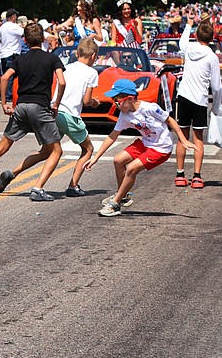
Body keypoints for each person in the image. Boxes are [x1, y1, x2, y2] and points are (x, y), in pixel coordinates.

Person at [0, 22, 66, 201]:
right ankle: (38, 188)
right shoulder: (52, 59)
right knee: (56, 151)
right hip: (40, 107)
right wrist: (56, 103)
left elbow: (4, 78)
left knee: (2, 146)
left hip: (21, 107)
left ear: (25, 40)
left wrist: (5, 103)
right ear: (43, 39)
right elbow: (62, 82)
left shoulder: (20, 59)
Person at [86, 79, 194, 216]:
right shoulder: (124, 115)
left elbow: (169, 120)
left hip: (161, 147)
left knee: (131, 168)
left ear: (130, 98)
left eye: (117, 100)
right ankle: (123, 195)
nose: (115, 104)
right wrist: (96, 158)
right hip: (145, 143)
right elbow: (112, 136)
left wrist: (183, 140)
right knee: (118, 160)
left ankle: (115, 204)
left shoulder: (150, 108)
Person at [173, 19, 222, 189]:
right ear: (212, 37)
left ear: (196, 35)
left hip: (184, 96)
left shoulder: (189, 49)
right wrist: (215, 108)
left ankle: (180, 174)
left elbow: (181, 42)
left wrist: (188, 25)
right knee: (198, 137)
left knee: (182, 135)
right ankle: (197, 176)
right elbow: (216, 87)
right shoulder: (212, 57)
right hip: (200, 99)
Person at [54, 38, 101, 197]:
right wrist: (95, 103)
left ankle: (14, 172)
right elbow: (86, 101)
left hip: (55, 112)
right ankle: (73, 186)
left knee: (48, 151)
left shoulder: (66, 68)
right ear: (93, 55)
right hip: (70, 115)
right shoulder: (92, 73)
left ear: (77, 53)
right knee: (88, 149)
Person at [0, 9, 24, 100]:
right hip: (12, 53)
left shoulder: (2, 27)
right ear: (13, 17)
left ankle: (4, 95)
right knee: (12, 75)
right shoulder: (13, 26)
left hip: (4, 53)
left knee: (5, 75)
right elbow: (24, 33)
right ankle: (9, 95)